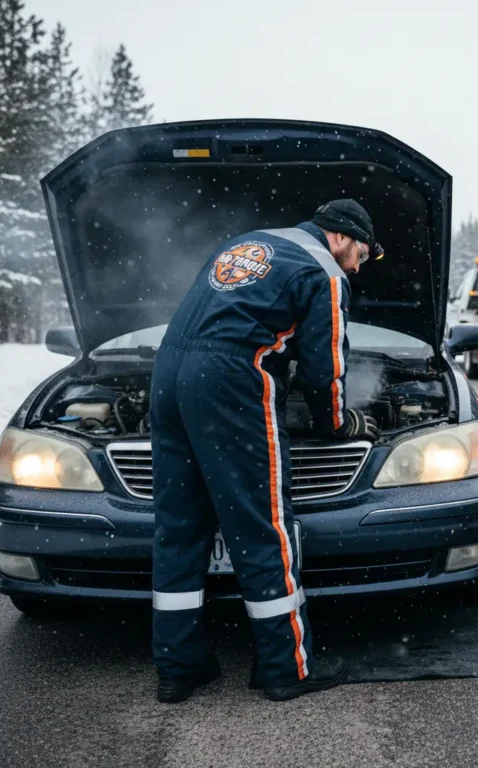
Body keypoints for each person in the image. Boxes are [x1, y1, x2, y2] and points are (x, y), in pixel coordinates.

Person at [149, 199, 382, 703]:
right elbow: (325, 370)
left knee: (179, 525)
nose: (359, 266)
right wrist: (338, 422)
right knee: (262, 525)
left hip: (167, 375)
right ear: (340, 237)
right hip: (230, 381)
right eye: (361, 252)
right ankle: (285, 668)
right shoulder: (323, 270)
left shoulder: (247, 242)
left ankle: (178, 667)